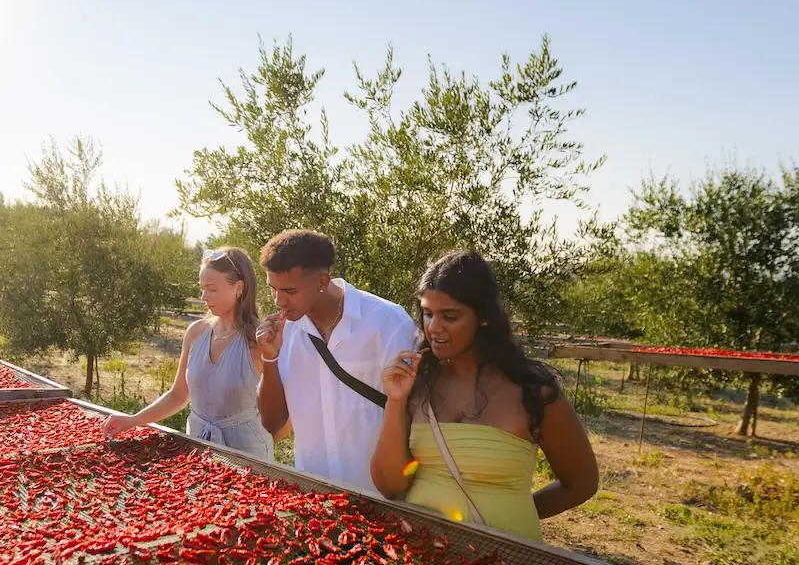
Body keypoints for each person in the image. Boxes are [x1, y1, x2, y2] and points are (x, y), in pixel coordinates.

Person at [369, 250, 598, 540]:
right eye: (428, 313)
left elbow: (581, 483)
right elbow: (389, 485)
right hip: (421, 562)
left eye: (450, 316)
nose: (434, 327)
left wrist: (511, 517)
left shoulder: (533, 390)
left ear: (485, 318)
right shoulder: (418, 385)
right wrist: (396, 400)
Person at [255, 229, 417, 493]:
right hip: (314, 500)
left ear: (322, 281)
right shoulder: (286, 333)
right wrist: (270, 358)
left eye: (289, 290)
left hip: (384, 500)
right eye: (273, 289)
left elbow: (415, 415)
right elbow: (272, 423)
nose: (278, 300)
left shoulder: (388, 323)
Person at [103, 246, 274, 459]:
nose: (204, 296)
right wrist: (133, 420)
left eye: (212, 288)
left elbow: (280, 408)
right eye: (202, 288)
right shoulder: (196, 333)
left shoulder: (259, 341)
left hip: (248, 455)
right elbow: (179, 394)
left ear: (238, 287)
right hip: (198, 447)